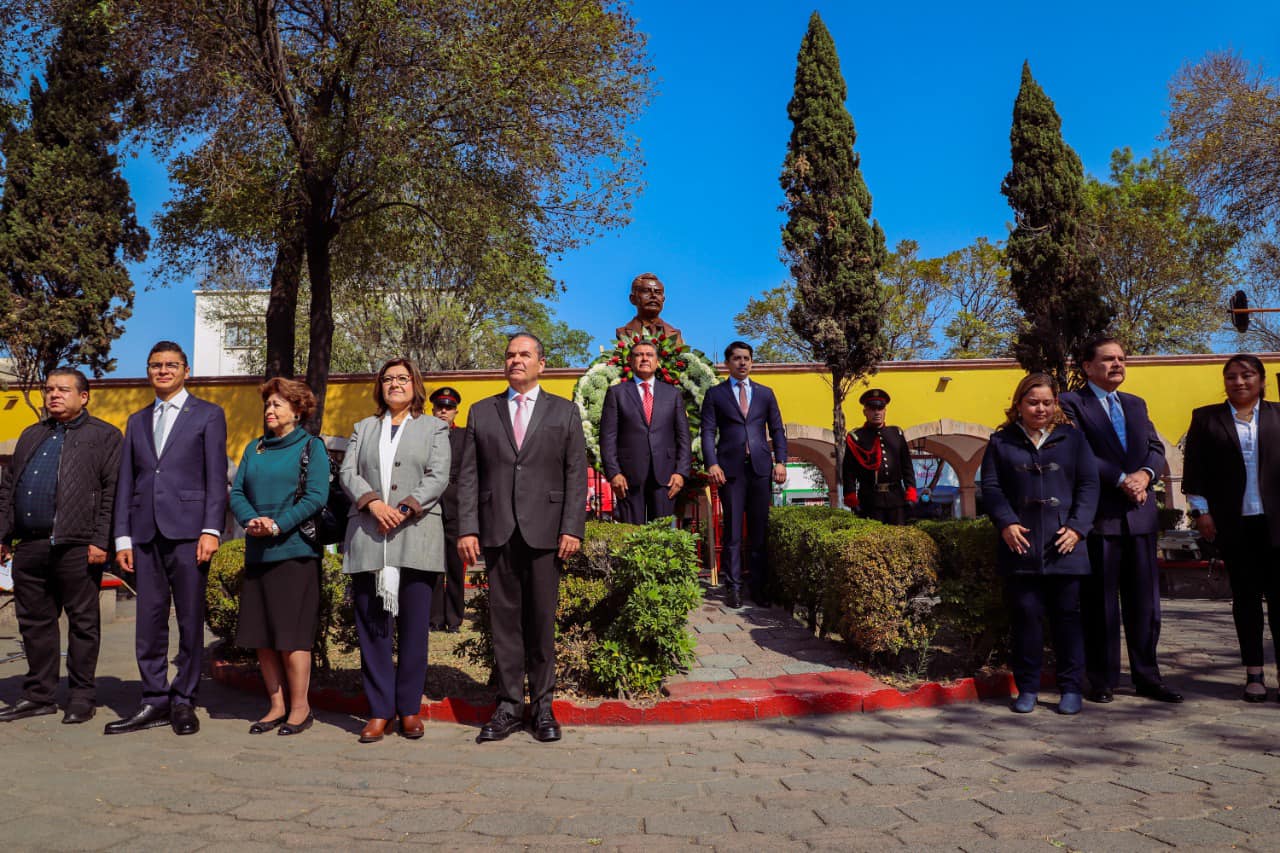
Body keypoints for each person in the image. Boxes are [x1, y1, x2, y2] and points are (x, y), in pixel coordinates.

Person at [457, 333, 587, 743]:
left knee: (542, 622)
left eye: (524, 355)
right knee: (505, 624)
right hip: (497, 531)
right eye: (510, 355)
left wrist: (572, 527)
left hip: (547, 532)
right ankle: (510, 706)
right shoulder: (482, 412)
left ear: (541, 364)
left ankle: (543, 708)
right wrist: (467, 527)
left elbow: (575, 475)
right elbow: (468, 477)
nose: (516, 360)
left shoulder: (564, 412)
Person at [107, 342, 228, 736]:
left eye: (171, 365)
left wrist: (211, 530)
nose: (163, 371)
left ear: (186, 370)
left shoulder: (208, 415)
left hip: (189, 533)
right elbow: (128, 482)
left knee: (190, 620)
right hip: (144, 534)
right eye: (156, 365)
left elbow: (215, 478)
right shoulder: (137, 421)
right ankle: (153, 698)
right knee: (149, 621)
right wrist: (122, 539)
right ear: (148, 371)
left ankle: (184, 700)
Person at [1059, 336, 1182, 705]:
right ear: (1086, 366)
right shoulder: (1071, 403)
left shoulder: (1135, 404)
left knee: (1145, 604)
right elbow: (1077, 449)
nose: (1118, 365)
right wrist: (1120, 479)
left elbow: (1156, 447)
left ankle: (1148, 676)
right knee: (1100, 603)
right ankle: (1102, 678)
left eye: (1122, 359)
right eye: (1109, 359)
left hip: (1140, 516)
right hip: (1100, 517)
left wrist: (1145, 474)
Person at [0, 369, 121, 725]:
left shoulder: (105, 436)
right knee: (35, 624)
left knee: (83, 624)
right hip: (30, 546)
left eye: (63, 389)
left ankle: (82, 696)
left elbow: (112, 492)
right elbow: (8, 489)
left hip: (78, 546)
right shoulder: (31, 434)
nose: (54, 395)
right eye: (49, 389)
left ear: (84, 396)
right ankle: (39, 694)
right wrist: (3, 535)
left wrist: (102, 540)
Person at [340, 358, 451, 743]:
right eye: (387, 379)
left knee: (415, 630)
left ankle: (408, 709)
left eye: (402, 378)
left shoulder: (435, 427)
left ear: (415, 385)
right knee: (373, 629)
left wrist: (404, 508)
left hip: (415, 536)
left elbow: (439, 475)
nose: (395, 384)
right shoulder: (363, 428)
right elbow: (347, 473)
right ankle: (378, 710)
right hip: (370, 537)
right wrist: (373, 504)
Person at [980, 373, 1099, 715]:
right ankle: (1028, 687)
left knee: (1068, 619)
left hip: (1065, 545)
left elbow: (1089, 486)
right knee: (1026, 618)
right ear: (1018, 405)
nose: (1040, 408)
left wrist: (1077, 528)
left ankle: (1071, 687)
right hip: (1021, 545)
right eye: (1033, 402)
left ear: (1056, 405)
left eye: (1047, 402)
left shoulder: (1074, 440)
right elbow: (991, 488)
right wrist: (1006, 522)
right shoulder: (1001, 442)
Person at [228, 378, 329, 736]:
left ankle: (300, 709)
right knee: (263, 635)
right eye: (267, 405)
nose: (270, 411)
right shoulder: (254, 448)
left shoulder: (311, 447)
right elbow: (237, 491)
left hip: (295, 553)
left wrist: (277, 525)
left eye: (278, 405)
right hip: (258, 553)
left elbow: (316, 496)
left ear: (297, 410)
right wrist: (250, 519)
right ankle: (275, 706)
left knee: (292, 636)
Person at [1183, 354, 1280, 703]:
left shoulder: (1278, 415)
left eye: (1246, 375)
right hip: (1234, 524)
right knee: (1247, 600)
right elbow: (1194, 469)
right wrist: (1202, 513)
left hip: (1277, 524)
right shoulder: (1207, 418)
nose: (1239, 382)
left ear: (1261, 380)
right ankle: (1254, 674)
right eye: (1231, 377)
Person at [701, 341, 788, 609]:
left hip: (761, 468)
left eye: (746, 358)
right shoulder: (715, 394)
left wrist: (781, 461)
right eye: (737, 358)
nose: (742, 363)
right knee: (734, 533)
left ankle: (759, 588)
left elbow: (776, 430)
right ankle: (734, 587)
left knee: (759, 532)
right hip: (731, 471)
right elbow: (707, 432)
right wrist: (712, 463)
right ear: (727, 363)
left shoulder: (765, 393)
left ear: (752, 362)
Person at [599, 340, 692, 524]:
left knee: (663, 537)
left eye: (649, 355)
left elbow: (683, 438)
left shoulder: (672, 394)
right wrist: (614, 473)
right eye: (638, 355)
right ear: (631, 361)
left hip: (666, 477)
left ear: (657, 362)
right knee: (633, 537)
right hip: (628, 478)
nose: (644, 358)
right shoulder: (616, 393)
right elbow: (607, 438)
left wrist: (681, 473)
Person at [841, 388, 918, 525]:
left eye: (880, 408)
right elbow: (849, 472)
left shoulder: (896, 434)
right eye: (872, 408)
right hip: (870, 500)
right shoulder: (856, 437)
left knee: (898, 540)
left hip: (896, 499)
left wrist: (910, 493)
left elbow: (907, 467)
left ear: (885, 411)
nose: (877, 412)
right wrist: (852, 499)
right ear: (865, 412)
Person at [428, 386, 467, 634]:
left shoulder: (464, 436)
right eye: (440, 407)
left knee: (455, 565)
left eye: (449, 407)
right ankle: (433, 618)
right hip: (429, 506)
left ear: (455, 411)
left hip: (456, 505)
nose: (444, 411)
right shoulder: (424, 436)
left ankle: (454, 618)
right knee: (431, 565)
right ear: (432, 410)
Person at [614, 272, 684, 346]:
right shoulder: (623, 332)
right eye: (646, 291)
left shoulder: (674, 334)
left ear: (663, 299)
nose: (653, 296)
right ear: (633, 299)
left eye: (658, 292)